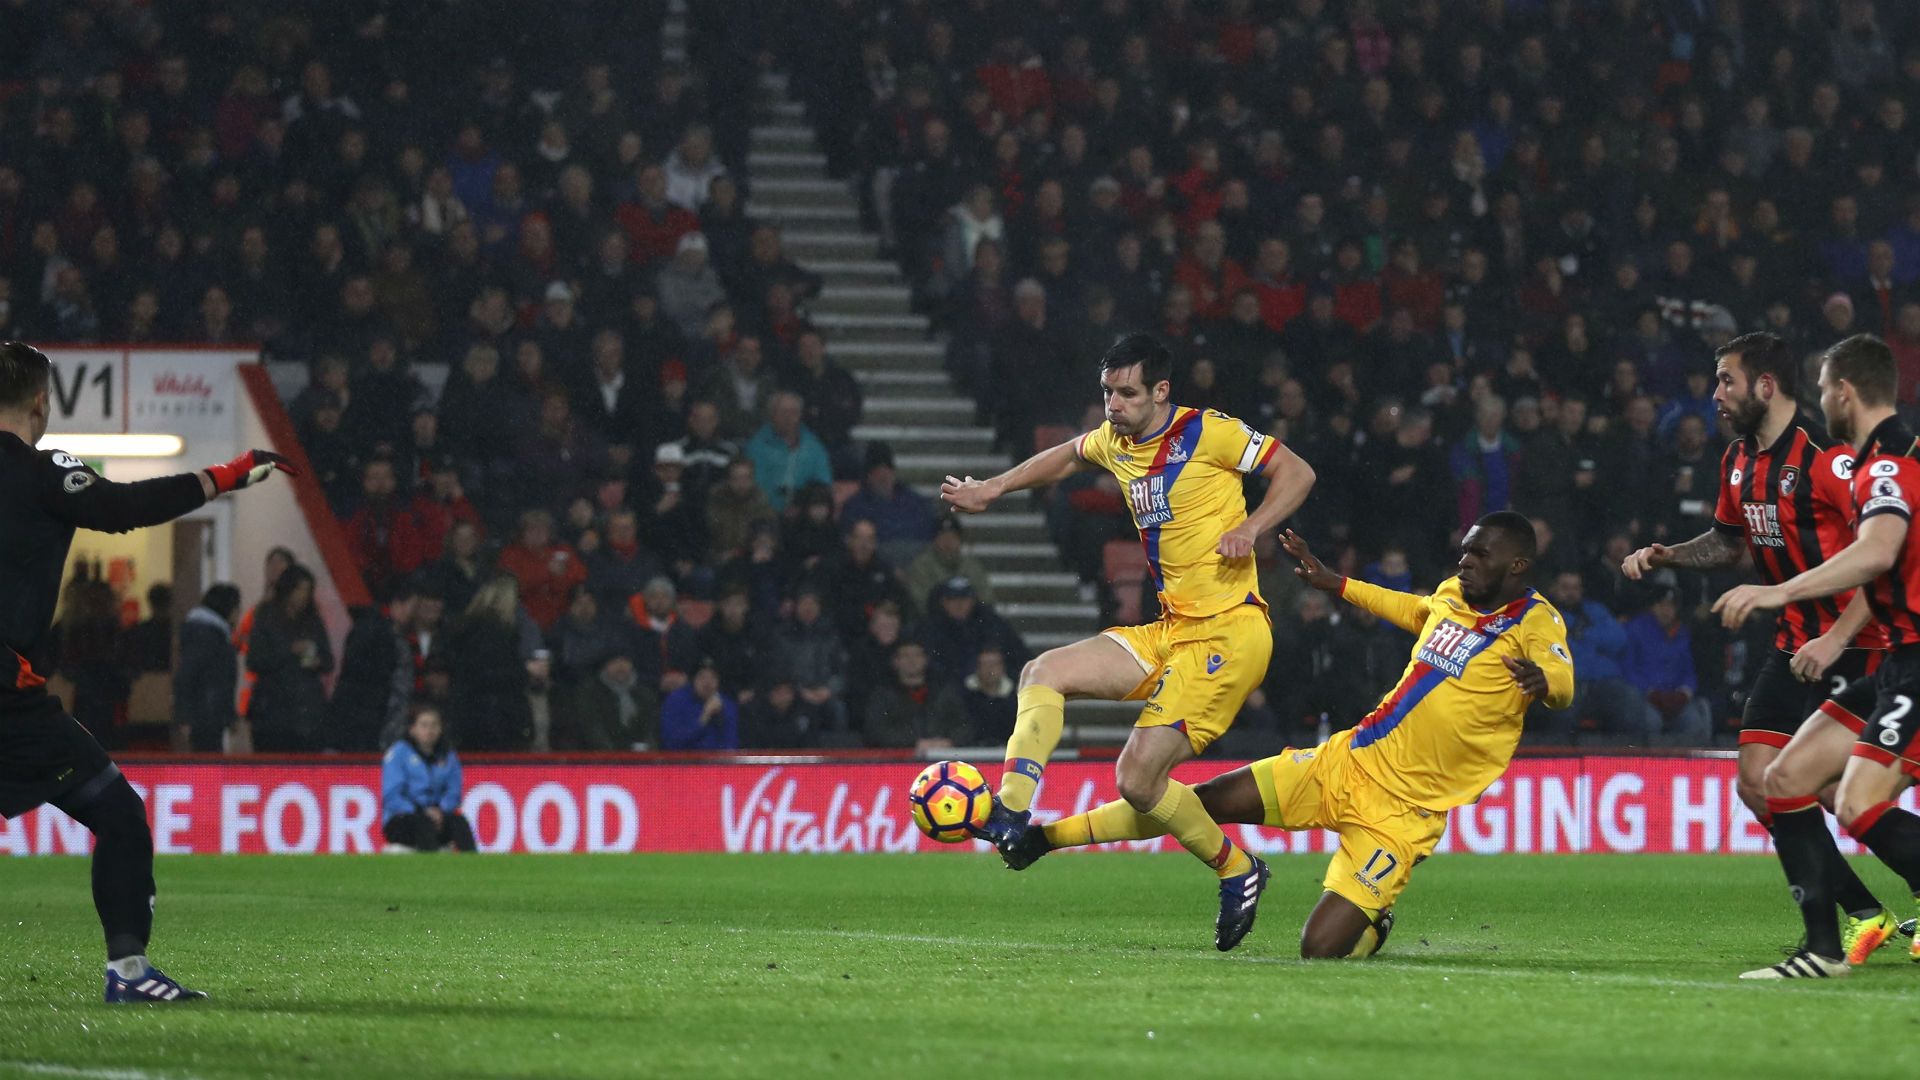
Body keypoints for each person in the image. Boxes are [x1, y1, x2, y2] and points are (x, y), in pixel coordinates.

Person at [1011, 517, 1572, 959]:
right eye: (1465, 551)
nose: (1465, 562)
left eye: (1481, 555)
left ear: (1517, 565)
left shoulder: (1535, 621)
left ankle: (1372, 924)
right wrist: (1338, 583)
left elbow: (1564, 683)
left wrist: (1545, 683)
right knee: (1198, 802)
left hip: (1404, 814)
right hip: (1346, 761)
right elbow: (1416, 609)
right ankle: (1047, 839)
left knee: (1319, 949)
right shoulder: (1452, 595)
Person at [941, 332, 1316, 950]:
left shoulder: (1210, 432)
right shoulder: (1116, 439)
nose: (1113, 405)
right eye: (1107, 392)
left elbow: (1297, 472)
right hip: (1171, 628)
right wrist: (993, 489)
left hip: (1229, 632)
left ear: (1161, 391)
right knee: (1042, 672)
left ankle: (1237, 868)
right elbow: (1067, 455)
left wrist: (1253, 527)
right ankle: (1012, 811)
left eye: (1127, 393)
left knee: (1138, 780)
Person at [0, 339, 291, 1001]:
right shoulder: (43, 470)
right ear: (41, 403)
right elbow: (124, 509)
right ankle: (129, 973)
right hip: (7, 698)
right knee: (118, 813)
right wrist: (227, 474)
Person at [1621, 331, 1895, 965]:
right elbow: (1728, 542)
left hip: (1856, 643)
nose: (1715, 394)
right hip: (1794, 642)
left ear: (1766, 386)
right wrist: (1669, 556)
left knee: (1833, 791)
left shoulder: (1828, 457)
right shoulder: (1738, 460)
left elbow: (1885, 557)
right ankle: (1864, 913)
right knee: (1758, 784)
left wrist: (1836, 635)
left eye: (1727, 380)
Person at [1713, 334, 1920, 978]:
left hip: (1912, 658)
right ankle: (1825, 951)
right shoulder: (1882, 461)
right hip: (1896, 662)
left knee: (1857, 802)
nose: (1820, 399)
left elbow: (1877, 552)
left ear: (1845, 393)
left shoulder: (1882, 468)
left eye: (1826, 388)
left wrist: (1780, 592)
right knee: (1784, 781)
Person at [246, 564, 334, 752]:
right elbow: (255, 660)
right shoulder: (267, 617)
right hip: (273, 711)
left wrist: (317, 662)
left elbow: (328, 660)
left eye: (307, 590)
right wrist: (289, 650)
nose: (303, 596)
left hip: (307, 712)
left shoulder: (313, 621)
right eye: (299, 589)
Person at [379, 705, 476, 853]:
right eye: (424, 725)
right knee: (423, 824)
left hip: (437, 816)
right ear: (412, 729)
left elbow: (454, 792)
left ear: (440, 729)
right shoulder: (398, 754)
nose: (429, 731)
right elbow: (392, 796)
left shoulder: (448, 756)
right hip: (402, 819)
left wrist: (441, 810)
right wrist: (419, 811)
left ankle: (472, 862)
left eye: (434, 725)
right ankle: (431, 863)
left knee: (459, 822)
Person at [173, 583, 242, 753]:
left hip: (209, 714)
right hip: (205, 715)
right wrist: (185, 716)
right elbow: (187, 676)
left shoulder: (213, 635)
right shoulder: (207, 637)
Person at [660, 658, 739, 749]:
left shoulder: (726, 704)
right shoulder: (676, 701)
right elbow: (672, 743)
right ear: (693, 680)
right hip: (685, 757)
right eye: (702, 677)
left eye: (713, 677)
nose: (707, 683)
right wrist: (704, 718)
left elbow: (731, 745)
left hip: (716, 757)